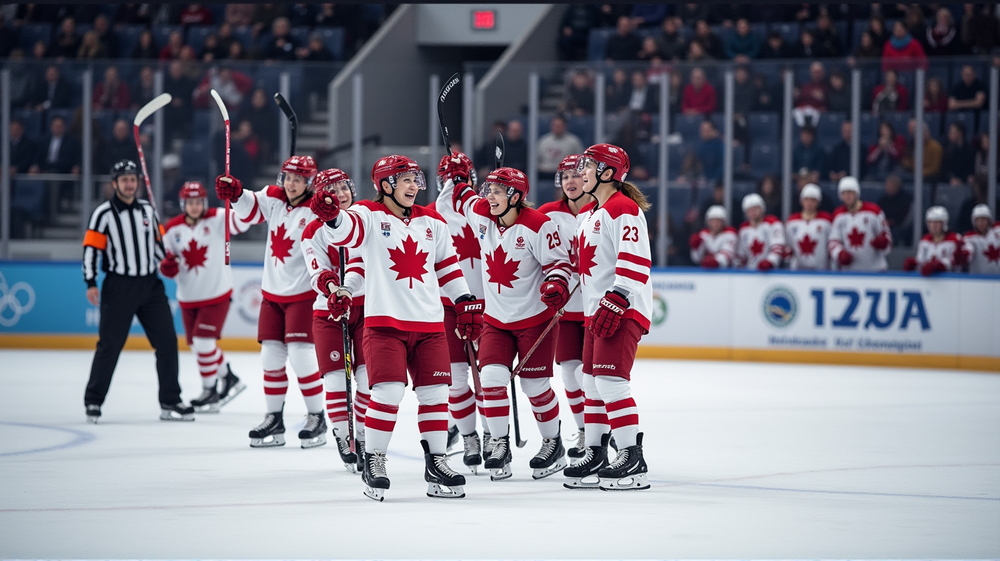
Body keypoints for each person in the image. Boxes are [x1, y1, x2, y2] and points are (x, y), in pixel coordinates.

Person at [309, 155, 482, 501]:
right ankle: (374, 459)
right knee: (387, 394)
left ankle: (436, 461)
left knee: (436, 397)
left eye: (416, 179)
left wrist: (464, 300)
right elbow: (347, 229)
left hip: (430, 325)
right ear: (385, 185)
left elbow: (448, 269)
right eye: (404, 180)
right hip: (385, 324)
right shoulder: (368, 215)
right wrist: (331, 218)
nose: (414, 185)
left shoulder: (433, 222)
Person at [445, 161, 573, 482]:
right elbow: (464, 198)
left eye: (498, 191)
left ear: (516, 196)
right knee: (490, 380)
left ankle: (552, 442)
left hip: (534, 321)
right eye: (489, 189)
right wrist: (459, 179)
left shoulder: (539, 225)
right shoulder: (482, 214)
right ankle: (499, 443)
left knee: (535, 386)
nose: (490, 196)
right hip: (496, 320)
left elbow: (559, 263)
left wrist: (555, 284)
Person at [214, 156, 327, 449]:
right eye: (288, 177)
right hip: (272, 295)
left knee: (302, 358)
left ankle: (317, 416)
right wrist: (236, 193)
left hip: (302, 296)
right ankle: (274, 418)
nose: (291, 184)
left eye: (298, 179)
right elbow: (250, 208)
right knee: (270, 358)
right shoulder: (274, 198)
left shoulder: (316, 210)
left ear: (309, 182)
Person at [566, 143, 652, 491]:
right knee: (590, 382)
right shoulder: (591, 213)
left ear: (607, 172)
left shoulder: (623, 208)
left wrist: (617, 298)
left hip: (621, 308)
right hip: (595, 311)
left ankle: (632, 456)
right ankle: (597, 453)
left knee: (611, 381)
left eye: (588, 166)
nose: (580, 172)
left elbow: (636, 260)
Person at [82, 160, 193, 423]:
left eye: (133, 179)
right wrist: (90, 282)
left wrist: (166, 259)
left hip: (150, 286)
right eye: (124, 180)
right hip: (119, 286)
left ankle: (170, 400)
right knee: (110, 345)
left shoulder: (148, 210)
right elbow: (91, 250)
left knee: (167, 342)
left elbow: (159, 245)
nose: (130, 184)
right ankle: (93, 401)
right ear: (115, 184)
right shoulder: (103, 214)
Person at [300, 168, 370, 473]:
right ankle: (344, 435)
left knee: (369, 379)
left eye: (344, 186)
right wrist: (333, 290)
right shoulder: (311, 231)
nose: (341, 193)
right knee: (335, 380)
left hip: (368, 308)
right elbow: (318, 271)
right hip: (329, 311)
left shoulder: (367, 218)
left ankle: (366, 437)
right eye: (333, 189)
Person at [160, 181, 246, 413]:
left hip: (217, 293)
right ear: (183, 204)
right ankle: (228, 377)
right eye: (191, 202)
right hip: (188, 296)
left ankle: (210, 391)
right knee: (198, 346)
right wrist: (168, 265)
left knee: (203, 343)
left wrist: (235, 199)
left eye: (199, 202)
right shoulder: (172, 229)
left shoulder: (218, 217)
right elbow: (167, 268)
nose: (195, 206)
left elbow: (243, 222)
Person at [432, 152, 489, 473]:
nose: (453, 184)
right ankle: (469, 437)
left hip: (489, 306)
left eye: (459, 177)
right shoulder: (429, 214)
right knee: (455, 381)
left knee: (489, 381)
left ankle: (497, 438)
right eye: (450, 178)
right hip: (447, 306)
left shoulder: (488, 209)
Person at [537, 155, 591, 458]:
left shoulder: (599, 211)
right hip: (565, 310)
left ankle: (602, 430)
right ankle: (585, 430)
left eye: (576, 175)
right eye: (565, 176)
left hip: (596, 305)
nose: (570, 181)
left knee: (595, 375)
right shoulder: (546, 214)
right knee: (571, 372)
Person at [828, 176, 892, 271]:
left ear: (856, 193)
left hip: (875, 269)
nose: (847, 196)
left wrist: (883, 243)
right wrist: (840, 254)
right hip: (849, 271)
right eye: (844, 193)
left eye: (850, 192)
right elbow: (833, 241)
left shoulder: (873, 211)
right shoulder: (838, 215)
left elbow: (886, 235)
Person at [903, 206, 964, 275]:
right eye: (930, 222)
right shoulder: (925, 241)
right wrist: (914, 264)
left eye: (936, 222)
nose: (933, 226)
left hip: (951, 281)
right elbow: (921, 262)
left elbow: (955, 263)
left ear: (944, 223)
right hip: (928, 282)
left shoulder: (955, 239)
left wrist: (938, 266)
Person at [785, 184, 832, 270]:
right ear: (801, 201)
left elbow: (831, 243)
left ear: (818, 202)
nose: (809, 203)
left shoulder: (826, 220)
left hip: (822, 270)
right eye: (806, 199)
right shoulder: (792, 221)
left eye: (813, 200)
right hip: (797, 270)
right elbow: (788, 244)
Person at [737, 193, 785, 271]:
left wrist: (770, 261)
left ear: (762, 208)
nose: (753, 212)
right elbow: (741, 255)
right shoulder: (743, 229)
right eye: (750, 210)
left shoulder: (773, 223)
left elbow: (778, 246)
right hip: (750, 272)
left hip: (771, 271)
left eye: (756, 208)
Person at [537, 115, 584, 183]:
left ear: (565, 126)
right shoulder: (543, 141)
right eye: (554, 125)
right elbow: (536, 161)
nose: (557, 128)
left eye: (559, 125)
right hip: (545, 174)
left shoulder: (574, 142)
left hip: (566, 174)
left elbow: (580, 161)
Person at [876, 175, 914, 247]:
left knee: (896, 232)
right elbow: (878, 214)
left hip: (901, 227)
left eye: (890, 186)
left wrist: (893, 222)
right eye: (886, 185)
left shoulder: (906, 199)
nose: (887, 188)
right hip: (885, 225)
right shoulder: (883, 200)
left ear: (897, 186)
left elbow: (907, 218)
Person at [962, 205, 1000, 274]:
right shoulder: (969, 237)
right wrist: (964, 254)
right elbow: (968, 252)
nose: (981, 223)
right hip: (978, 280)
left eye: (983, 219)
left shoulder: (997, 229)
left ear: (989, 220)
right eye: (978, 220)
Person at [941, 122, 976, 186]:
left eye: (952, 133)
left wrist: (962, 179)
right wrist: (951, 178)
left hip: (965, 181)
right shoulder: (946, 148)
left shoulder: (970, 149)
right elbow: (945, 168)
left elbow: (971, 168)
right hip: (950, 181)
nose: (949, 135)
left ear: (960, 133)